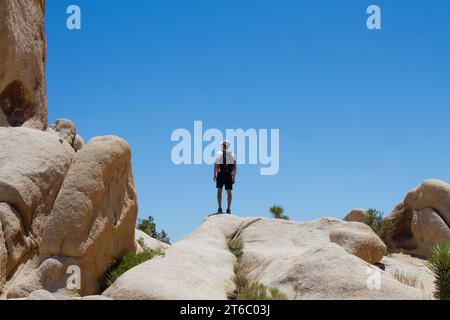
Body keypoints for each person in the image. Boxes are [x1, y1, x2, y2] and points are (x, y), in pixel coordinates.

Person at [213, 140, 237, 214]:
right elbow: (235, 166)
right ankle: (228, 209)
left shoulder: (219, 153)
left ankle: (220, 208)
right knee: (228, 192)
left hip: (221, 173)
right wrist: (233, 176)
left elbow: (216, 165)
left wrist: (214, 175)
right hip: (228, 174)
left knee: (219, 191)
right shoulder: (232, 154)